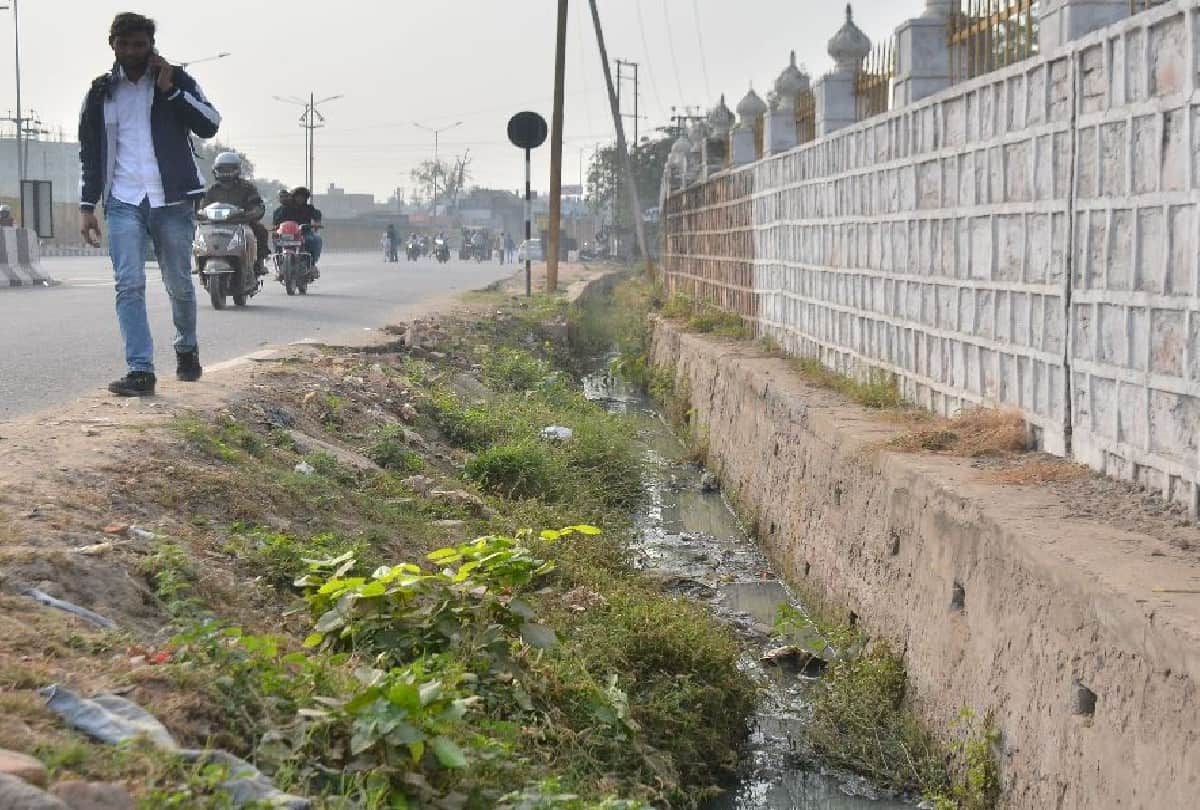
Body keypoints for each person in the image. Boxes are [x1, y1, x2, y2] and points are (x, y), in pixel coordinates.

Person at [78, 12, 221, 397]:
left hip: (172, 201)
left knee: (178, 283)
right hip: (123, 200)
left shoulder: (176, 80)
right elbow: (90, 152)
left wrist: (171, 89)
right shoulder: (100, 92)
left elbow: (210, 123)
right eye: (124, 44)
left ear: (150, 46)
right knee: (128, 284)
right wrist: (87, 205)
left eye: (139, 45)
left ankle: (186, 348)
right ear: (113, 45)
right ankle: (140, 370)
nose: (131, 52)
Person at [200, 152, 268, 274]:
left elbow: (256, 203)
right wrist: (199, 214)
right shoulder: (212, 190)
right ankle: (200, 259)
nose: (226, 172)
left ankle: (259, 262)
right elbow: (203, 207)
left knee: (261, 230)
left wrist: (252, 213)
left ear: (237, 169)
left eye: (230, 169)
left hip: (241, 222)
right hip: (215, 224)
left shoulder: (247, 187)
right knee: (196, 232)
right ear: (216, 170)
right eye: (223, 169)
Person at [276, 186, 323, 266]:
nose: (300, 199)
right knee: (277, 242)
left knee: (315, 240)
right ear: (294, 197)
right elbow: (277, 219)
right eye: (298, 196)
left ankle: (311, 263)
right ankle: (279, 264)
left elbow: (317, 215)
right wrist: (276, 226)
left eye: (303, 197)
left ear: (306, 198)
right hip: (288, 235)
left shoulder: (309, 208)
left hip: (304, 233)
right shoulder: (286, 208)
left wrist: (317, 223)